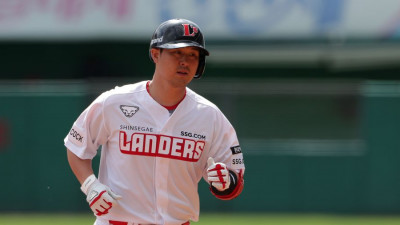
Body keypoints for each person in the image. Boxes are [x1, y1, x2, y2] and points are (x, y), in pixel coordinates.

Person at [64, 18, 245, 225]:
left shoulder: (209, 115)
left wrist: (225, 182)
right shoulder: (114, 102)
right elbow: (76, 146)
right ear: (155, 54)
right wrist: (90, 185)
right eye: (177, 52)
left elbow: (235, 180)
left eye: (193, 55)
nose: (185, 61)